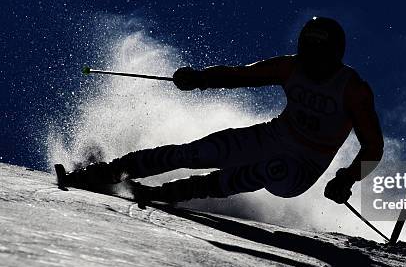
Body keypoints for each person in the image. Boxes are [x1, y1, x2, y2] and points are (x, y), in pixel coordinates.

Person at [56, 16, 384, 205]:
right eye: (308, 52)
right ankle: (109, 172)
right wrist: (199, 78)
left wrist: (346, 178)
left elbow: (373, 146)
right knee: (197, 152)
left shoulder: (352, 89)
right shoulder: (291, 67)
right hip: (273, 135)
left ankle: (172, 193)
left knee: (271, 169)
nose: (312, 62)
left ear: (335, 55)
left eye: (319, 55)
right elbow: (240, 75)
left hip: (303, 165)